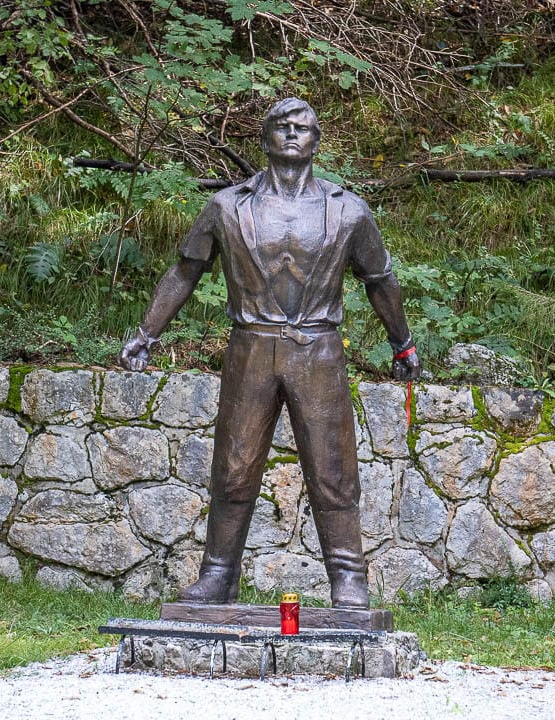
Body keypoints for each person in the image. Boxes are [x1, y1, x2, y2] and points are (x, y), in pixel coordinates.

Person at [118, 98, 421, 609]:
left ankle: (349, 577)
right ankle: (218, 574)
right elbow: (185, 271)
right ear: (262, 139)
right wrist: (147, 333)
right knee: (234, 466)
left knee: (332, 468)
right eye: (281, 125)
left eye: (303, 126)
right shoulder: (227, 207)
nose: (291, 132)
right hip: (251, 348)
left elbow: (380, 279)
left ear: (317, 140)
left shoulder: (347, 209)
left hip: (319, 351)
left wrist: (402, 342)